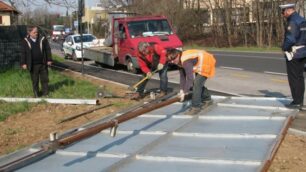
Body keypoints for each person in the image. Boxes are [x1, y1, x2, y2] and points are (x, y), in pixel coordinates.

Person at [167, 49, 216, 115]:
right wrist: (182, 90)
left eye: (173, 59)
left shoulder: (186, 61)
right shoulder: (179, 61)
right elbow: (182, 77)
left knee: (196, 84)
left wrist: (185, 92)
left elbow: (190, 79)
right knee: (197, 84)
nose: (172, 61)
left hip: (206, 62)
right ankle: (208, 100)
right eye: (170, 60)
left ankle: (195, 108)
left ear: (178, 55)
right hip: (200, 62)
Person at [280, 3, 306, 109]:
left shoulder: (292, 21)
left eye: (283, 12)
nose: (283, 14)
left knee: (294, 78)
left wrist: (284, 47)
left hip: (294, 54)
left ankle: (296, 102)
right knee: (300, 77)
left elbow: (290, 39)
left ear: (288, 10)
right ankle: (299, 100)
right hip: (303, 52)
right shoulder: (302, 19)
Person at [21, 26, 52, 97]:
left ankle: (45, 93)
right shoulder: (25, 41)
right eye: (34, 32)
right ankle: (36, 94)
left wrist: (49, 59)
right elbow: (23, 53)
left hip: (43, 63)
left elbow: (48, 49)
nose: (36, 33)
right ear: (29, 32)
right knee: (35, 81)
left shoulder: (42, 39)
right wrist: (23, 63)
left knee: (44, 79)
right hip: (33, 65)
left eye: (37, 32)